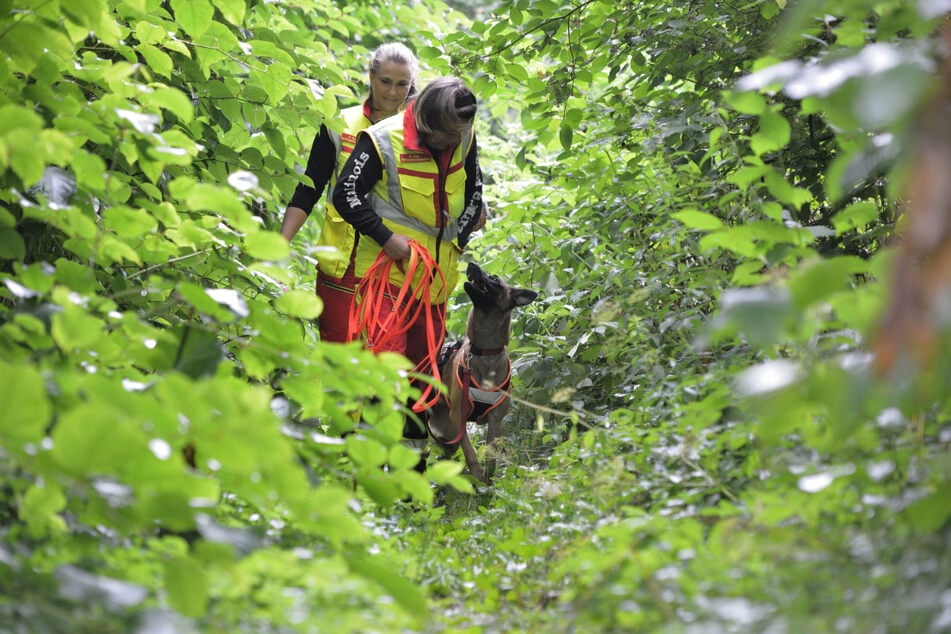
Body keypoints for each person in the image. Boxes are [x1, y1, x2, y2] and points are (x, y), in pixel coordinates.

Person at [331, 76, 486, 459]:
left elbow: (474, 193)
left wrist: (460, 239)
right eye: (444, 138)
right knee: (385, 373)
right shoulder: (382, 140)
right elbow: (345, 195)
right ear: (426, 125)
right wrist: (386, 238)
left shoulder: (462, 134)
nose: (451, 144)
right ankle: (367, 467)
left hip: (433, 285)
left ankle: (410, 477)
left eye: (457, 137)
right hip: (386, 281)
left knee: (423, 379)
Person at [279, 42, 419, 342]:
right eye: (385, 82)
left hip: (392, 263)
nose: (393, 93)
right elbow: (309, 189)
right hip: (340, 265)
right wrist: (277, 248)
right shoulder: (338, 123)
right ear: (371, 76)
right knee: (339, 361)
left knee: (385, 364)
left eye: (402, 85)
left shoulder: (419, 132)